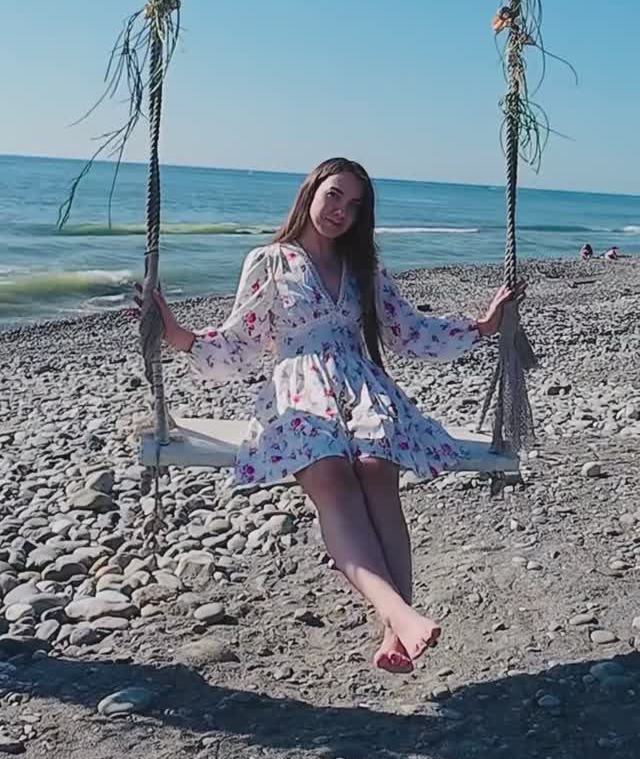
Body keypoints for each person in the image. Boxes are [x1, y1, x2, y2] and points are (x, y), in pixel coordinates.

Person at [136, 158, 518, 675]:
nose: (341, 211)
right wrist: (175, 332)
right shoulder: (270, 261)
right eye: (334, 195)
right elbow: (239, 343)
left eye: (354, 205)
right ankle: (401, 616)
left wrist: (483, 327)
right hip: (299, 391)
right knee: (333, 478)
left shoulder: (365, 268)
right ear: (311, 192)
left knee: (378, 472)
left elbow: (407, 330)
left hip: (362, 388)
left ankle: (396, 629)